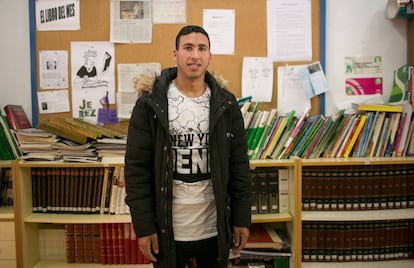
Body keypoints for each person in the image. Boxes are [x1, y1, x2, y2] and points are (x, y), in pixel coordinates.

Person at [124, 25, 252, 268]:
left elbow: (239, 166)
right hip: (167, 230)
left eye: (202, 48)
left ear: (209, 56)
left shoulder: (226, 104)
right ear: (175, 54)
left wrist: (241, 218)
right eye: (188, 48)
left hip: (214, 229)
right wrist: (144, 227)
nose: (195, 55)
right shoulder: (150, 105)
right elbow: (136, 171)